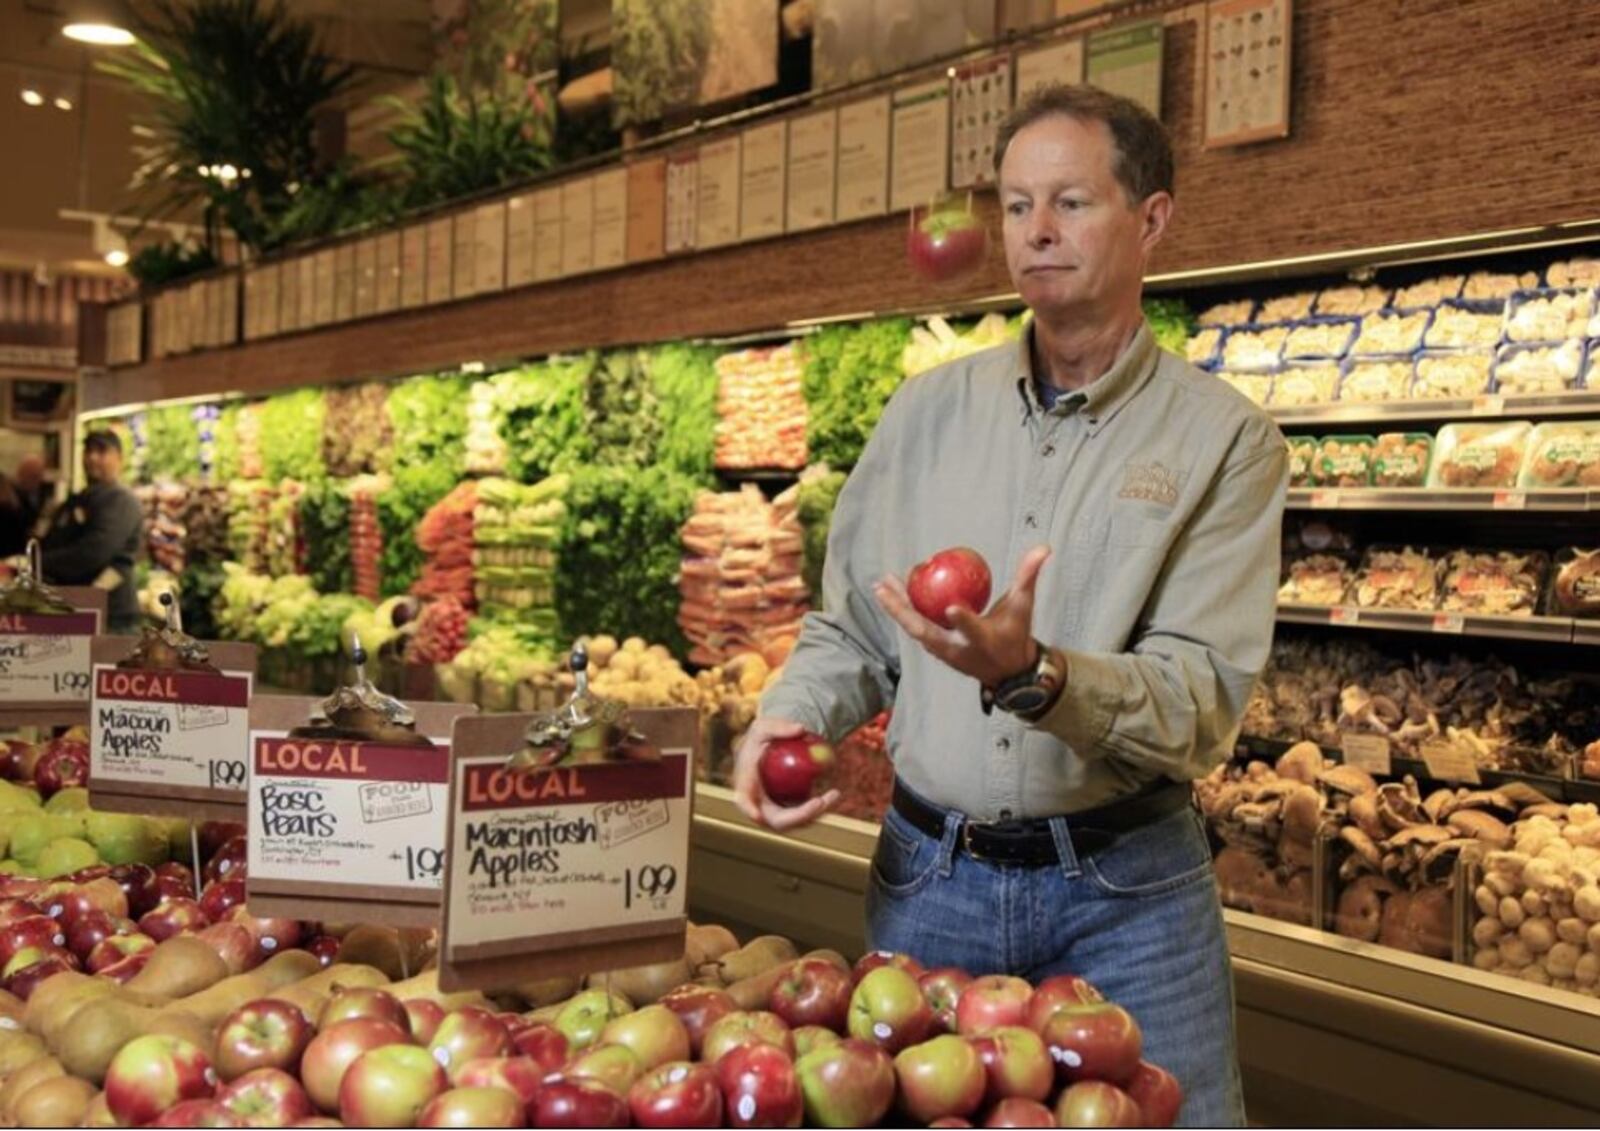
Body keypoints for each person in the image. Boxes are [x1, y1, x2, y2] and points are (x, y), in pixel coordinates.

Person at [734, 84, 1287, 1128]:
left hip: (1128, 899)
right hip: (928, 879)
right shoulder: (925, 414)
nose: (1034, 231)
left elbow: (1199, 700)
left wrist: (1034, 678)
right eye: (1016, 204)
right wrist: (787, 718)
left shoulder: (1225, 441)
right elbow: (852, 626)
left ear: (1151, 220)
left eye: (1071, 203)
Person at [41, 432, 145, 633]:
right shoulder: (78, 499)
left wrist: (36, 563)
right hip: (76, 609)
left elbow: (94, 552)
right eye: (88, 450)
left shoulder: (121, 500)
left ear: (119, 458)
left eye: (101, 451)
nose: (92, 457)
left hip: (112, 617)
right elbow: (51, 541)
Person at [0, 455, 50, 559]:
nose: (36, 480)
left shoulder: (44, 493)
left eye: (37, 476)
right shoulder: (11, 499)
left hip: (21, 554)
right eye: (31, 475)